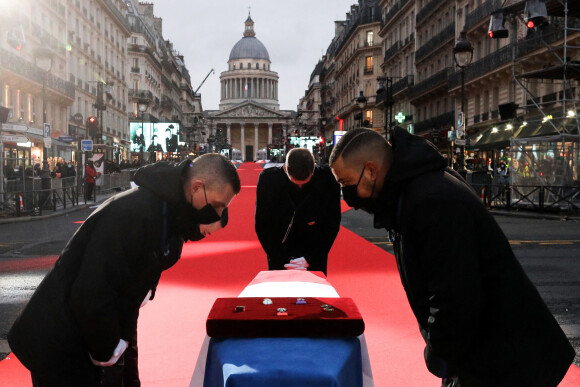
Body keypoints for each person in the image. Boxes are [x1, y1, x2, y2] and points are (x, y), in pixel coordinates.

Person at [329, 127, 575, 387]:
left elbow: (455, 295)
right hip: (489, 352)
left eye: (345, 183)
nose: (346, 194)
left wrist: (439, 356)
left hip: (503, 360)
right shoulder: (415, 191)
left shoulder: (429, 201)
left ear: (370, 170)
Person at [8, 153, 241, 386]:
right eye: (218, 206)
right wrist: (108, 352)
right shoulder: (136, 213)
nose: (219, 215)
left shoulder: (170, 215)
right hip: (60, 342)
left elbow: (129, 292)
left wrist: (126, 367)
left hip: (89, 334)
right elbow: (92, 292)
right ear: (197, 188)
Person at [255, 147, 341, 275]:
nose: (300, 187)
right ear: (285, 169)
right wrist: (281, 258)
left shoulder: (328, 179)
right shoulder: (268, 180)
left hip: (315, 250)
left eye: (304, 183)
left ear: (314, 170)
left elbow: (332, 223)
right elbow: (262, 225)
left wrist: (310, 258)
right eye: (295, 183)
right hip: (279, 252)